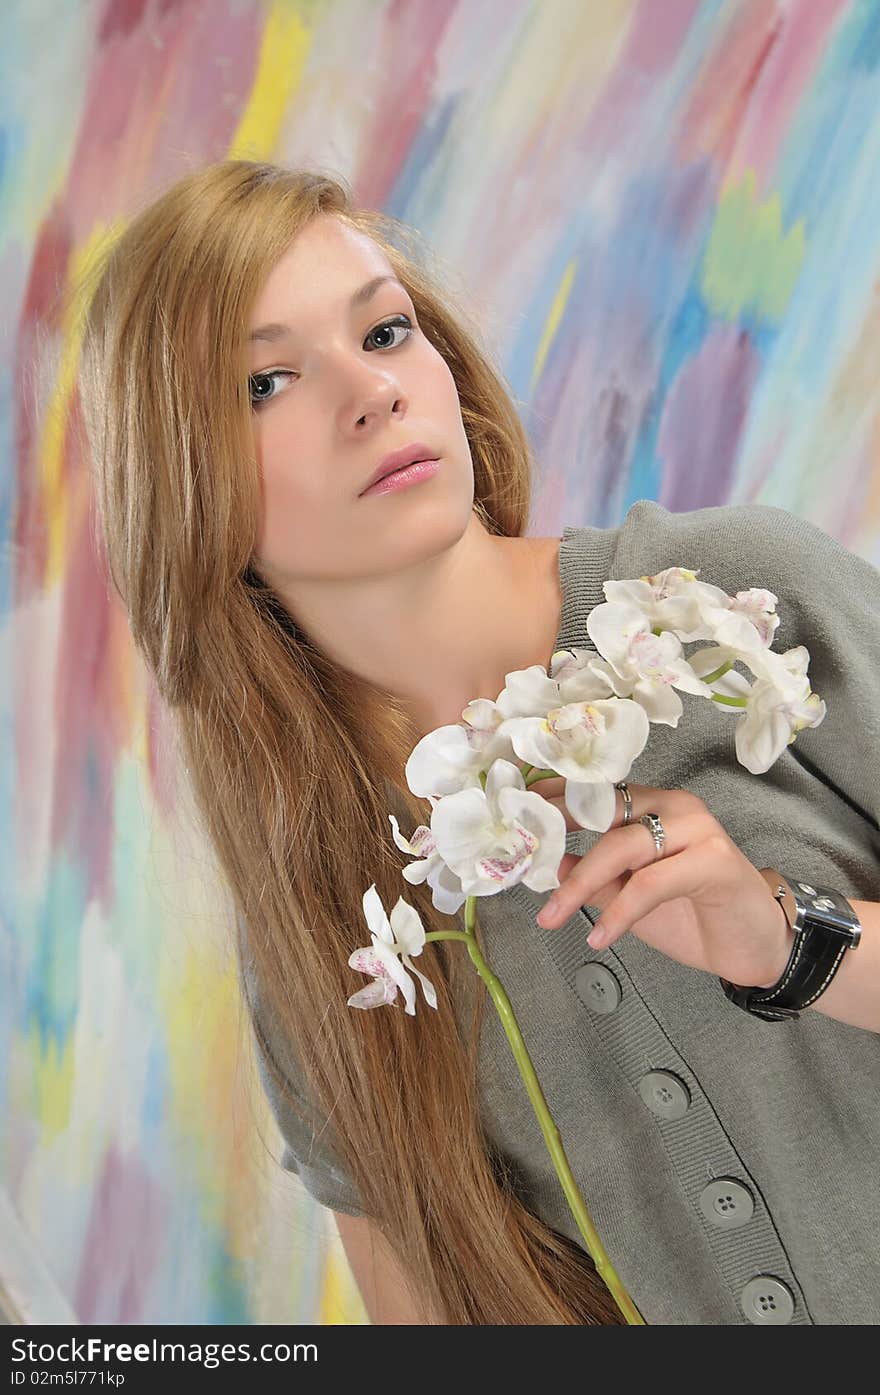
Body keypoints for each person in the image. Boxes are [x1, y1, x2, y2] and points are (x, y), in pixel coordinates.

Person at [75, 159, 880, 1327]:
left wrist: (793, 942)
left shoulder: (743, 598)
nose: (370, 394)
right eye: (264, 383)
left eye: (386, 331)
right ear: (184, 479)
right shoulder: (320, 923)